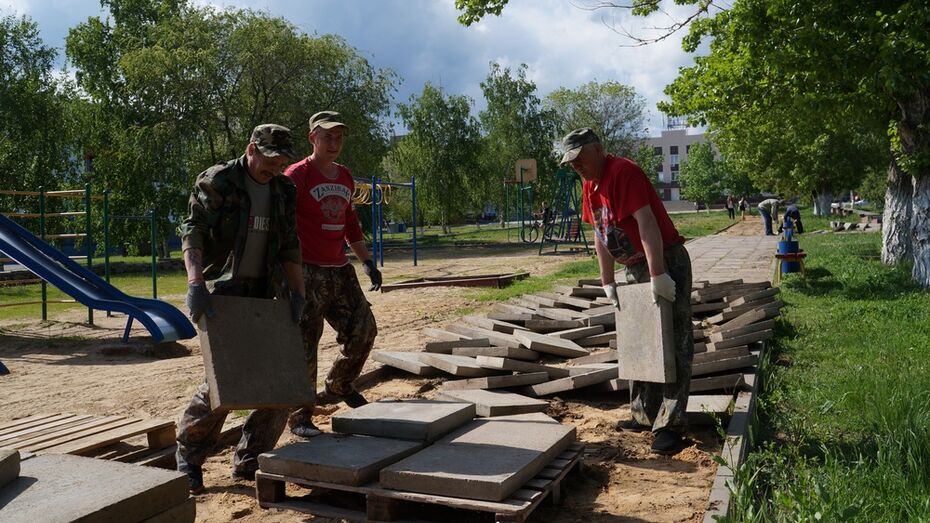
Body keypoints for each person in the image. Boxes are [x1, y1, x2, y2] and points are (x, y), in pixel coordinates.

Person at [176, 124, 305, 494]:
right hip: (223, 291)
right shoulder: (219, 181)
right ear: (251, 149)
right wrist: (195, 284)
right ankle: (190, 456)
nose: (276, 167)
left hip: (266, 292)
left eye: (282, 161)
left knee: (279, 383)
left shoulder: (284, 189)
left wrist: (298, 292)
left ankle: (250, 460)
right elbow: (193, 231)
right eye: (270, 159)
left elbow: (289, 243)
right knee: (224, 380)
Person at [561, 128, 693, 456]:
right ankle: (643, 415)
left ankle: (670, 425)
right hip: (632, 268)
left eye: (580, 158)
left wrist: (658, 274)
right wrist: (607, 280)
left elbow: (646, 223)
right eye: (571, 162)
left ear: (597, 149)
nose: (576, 165)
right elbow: (600, 234)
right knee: (639, 342)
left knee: (673, 343)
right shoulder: (589, 185)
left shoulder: (624, 172)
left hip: (665, 262)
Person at [286, 110, 381, 439]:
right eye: (327, 136)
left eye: (339, 137)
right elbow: (281, 225)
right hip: (306, 272)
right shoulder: (297, 175)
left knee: (364, 329)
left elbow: (350, 222)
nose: (334, 143)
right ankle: (300, 417)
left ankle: (339, 384)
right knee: (304, 345)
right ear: (313, 138)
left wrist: (367, 261)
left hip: (340, 270)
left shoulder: (344, 176)